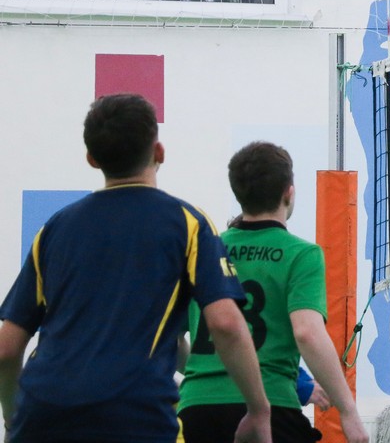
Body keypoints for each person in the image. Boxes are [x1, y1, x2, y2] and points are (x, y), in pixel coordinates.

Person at [0, 93, 270, 443]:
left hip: (43, 418)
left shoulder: (54, 230)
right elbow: (226, 324)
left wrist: (13, 420)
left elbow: (7, 349)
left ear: (91, 159)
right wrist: (259, 410)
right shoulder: (186, 223)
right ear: (159, 152)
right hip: (135, 416)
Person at [177, 141, 368, 443]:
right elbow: (307, 333)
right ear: (289, 193)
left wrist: (205, 375)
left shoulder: (204, 251)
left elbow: (172, 339)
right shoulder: (300, 254)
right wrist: (347, 409)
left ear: (238, 194)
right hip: (270, 404)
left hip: (197, 409)